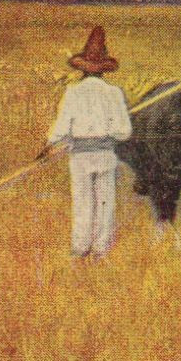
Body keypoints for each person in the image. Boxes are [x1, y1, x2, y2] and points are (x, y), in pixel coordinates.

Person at [48, 26, 132, 258]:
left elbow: (61, 128)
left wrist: (51, 143)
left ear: (82, 69)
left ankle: (79, 248)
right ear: (103, 70)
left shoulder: (73, 93)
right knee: (105, 203)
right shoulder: (114, 93)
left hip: (81, 157)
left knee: (82, 202)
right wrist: (106, 131)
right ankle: (100, 250)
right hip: (105, 154)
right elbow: (124, 132)